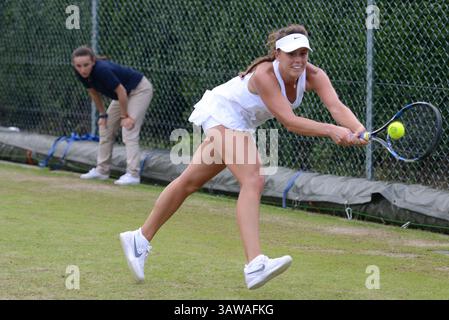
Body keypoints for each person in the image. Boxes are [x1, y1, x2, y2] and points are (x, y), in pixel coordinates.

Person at [119, 24, 368, 289]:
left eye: (303, 53)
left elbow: (336, 106)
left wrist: (359, 130)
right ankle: (254, 264)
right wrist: (332, 131)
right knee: (254, 179)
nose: (298, 59)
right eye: (291, 53)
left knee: (189, 182)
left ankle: (139, 239)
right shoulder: (264, 75)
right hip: (221, 112)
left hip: (239, 123)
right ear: (277, 54)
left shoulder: (314, 75)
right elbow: (289, 121)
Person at [72, 46, 153, 185]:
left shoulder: (101, 70)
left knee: (129, 129)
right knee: (106, 128)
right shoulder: (80, 73)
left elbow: (121, 91)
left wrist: (124, 117)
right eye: (78, 66)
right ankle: (102, 171)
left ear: (93, 61)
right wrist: (103, 115)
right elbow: (93, 92)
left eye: (86, 65)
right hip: (123, 95)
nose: (82, 69)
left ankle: (133, 175)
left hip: (139, 90)